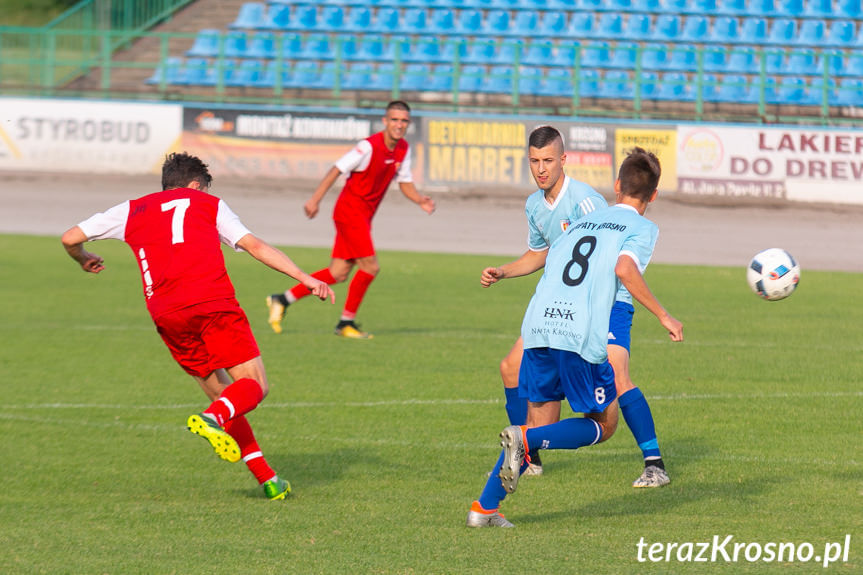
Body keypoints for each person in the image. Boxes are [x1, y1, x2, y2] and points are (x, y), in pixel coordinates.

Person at [61, 152, 335, 501]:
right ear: (194, 185)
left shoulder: (131, 209)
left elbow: (70, 237)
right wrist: (303, 277)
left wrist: (83, 258)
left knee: (225, 396)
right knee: (253, 385)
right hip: (212, 303)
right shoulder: (209, 205)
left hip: (166, 313)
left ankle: (267, 478)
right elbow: (253, 245)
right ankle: (211, 419)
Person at [467, 147, 683, 528]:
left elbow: (551, 261)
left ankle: (484, 509)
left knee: (538, 426)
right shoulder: (643, 227)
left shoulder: (583, 222)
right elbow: (624, 267)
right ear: (654, 196)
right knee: (604, 424)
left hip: (538, 324)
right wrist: (665, 315)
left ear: (616, 186)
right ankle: (525, 444)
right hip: (577, 332)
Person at [480, 125, 606, 476]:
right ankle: (528, 455)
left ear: (563, 159)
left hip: (579, 311)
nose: (541, 169)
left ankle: (528, 452)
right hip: (548, 305)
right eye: (534, 161)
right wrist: (503, 271)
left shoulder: (586, 202)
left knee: (598, 411)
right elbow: (540, 253)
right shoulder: (534, 204)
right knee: (510, 369)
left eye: (548, 160)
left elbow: (607, 257)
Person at [266, 100, 435, 339]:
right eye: (395, 119)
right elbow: (337, 169)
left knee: (338, 273)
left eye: (404, 120)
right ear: (385, 121)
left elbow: (404, 181)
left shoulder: (403, 149)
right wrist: (315, 199)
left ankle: (282, 299)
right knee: (371, 266)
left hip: (364, 216)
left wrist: (420, 200)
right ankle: (346, 322)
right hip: (349, 212)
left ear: (409, 123)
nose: (399, 125)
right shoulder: (367, 147)